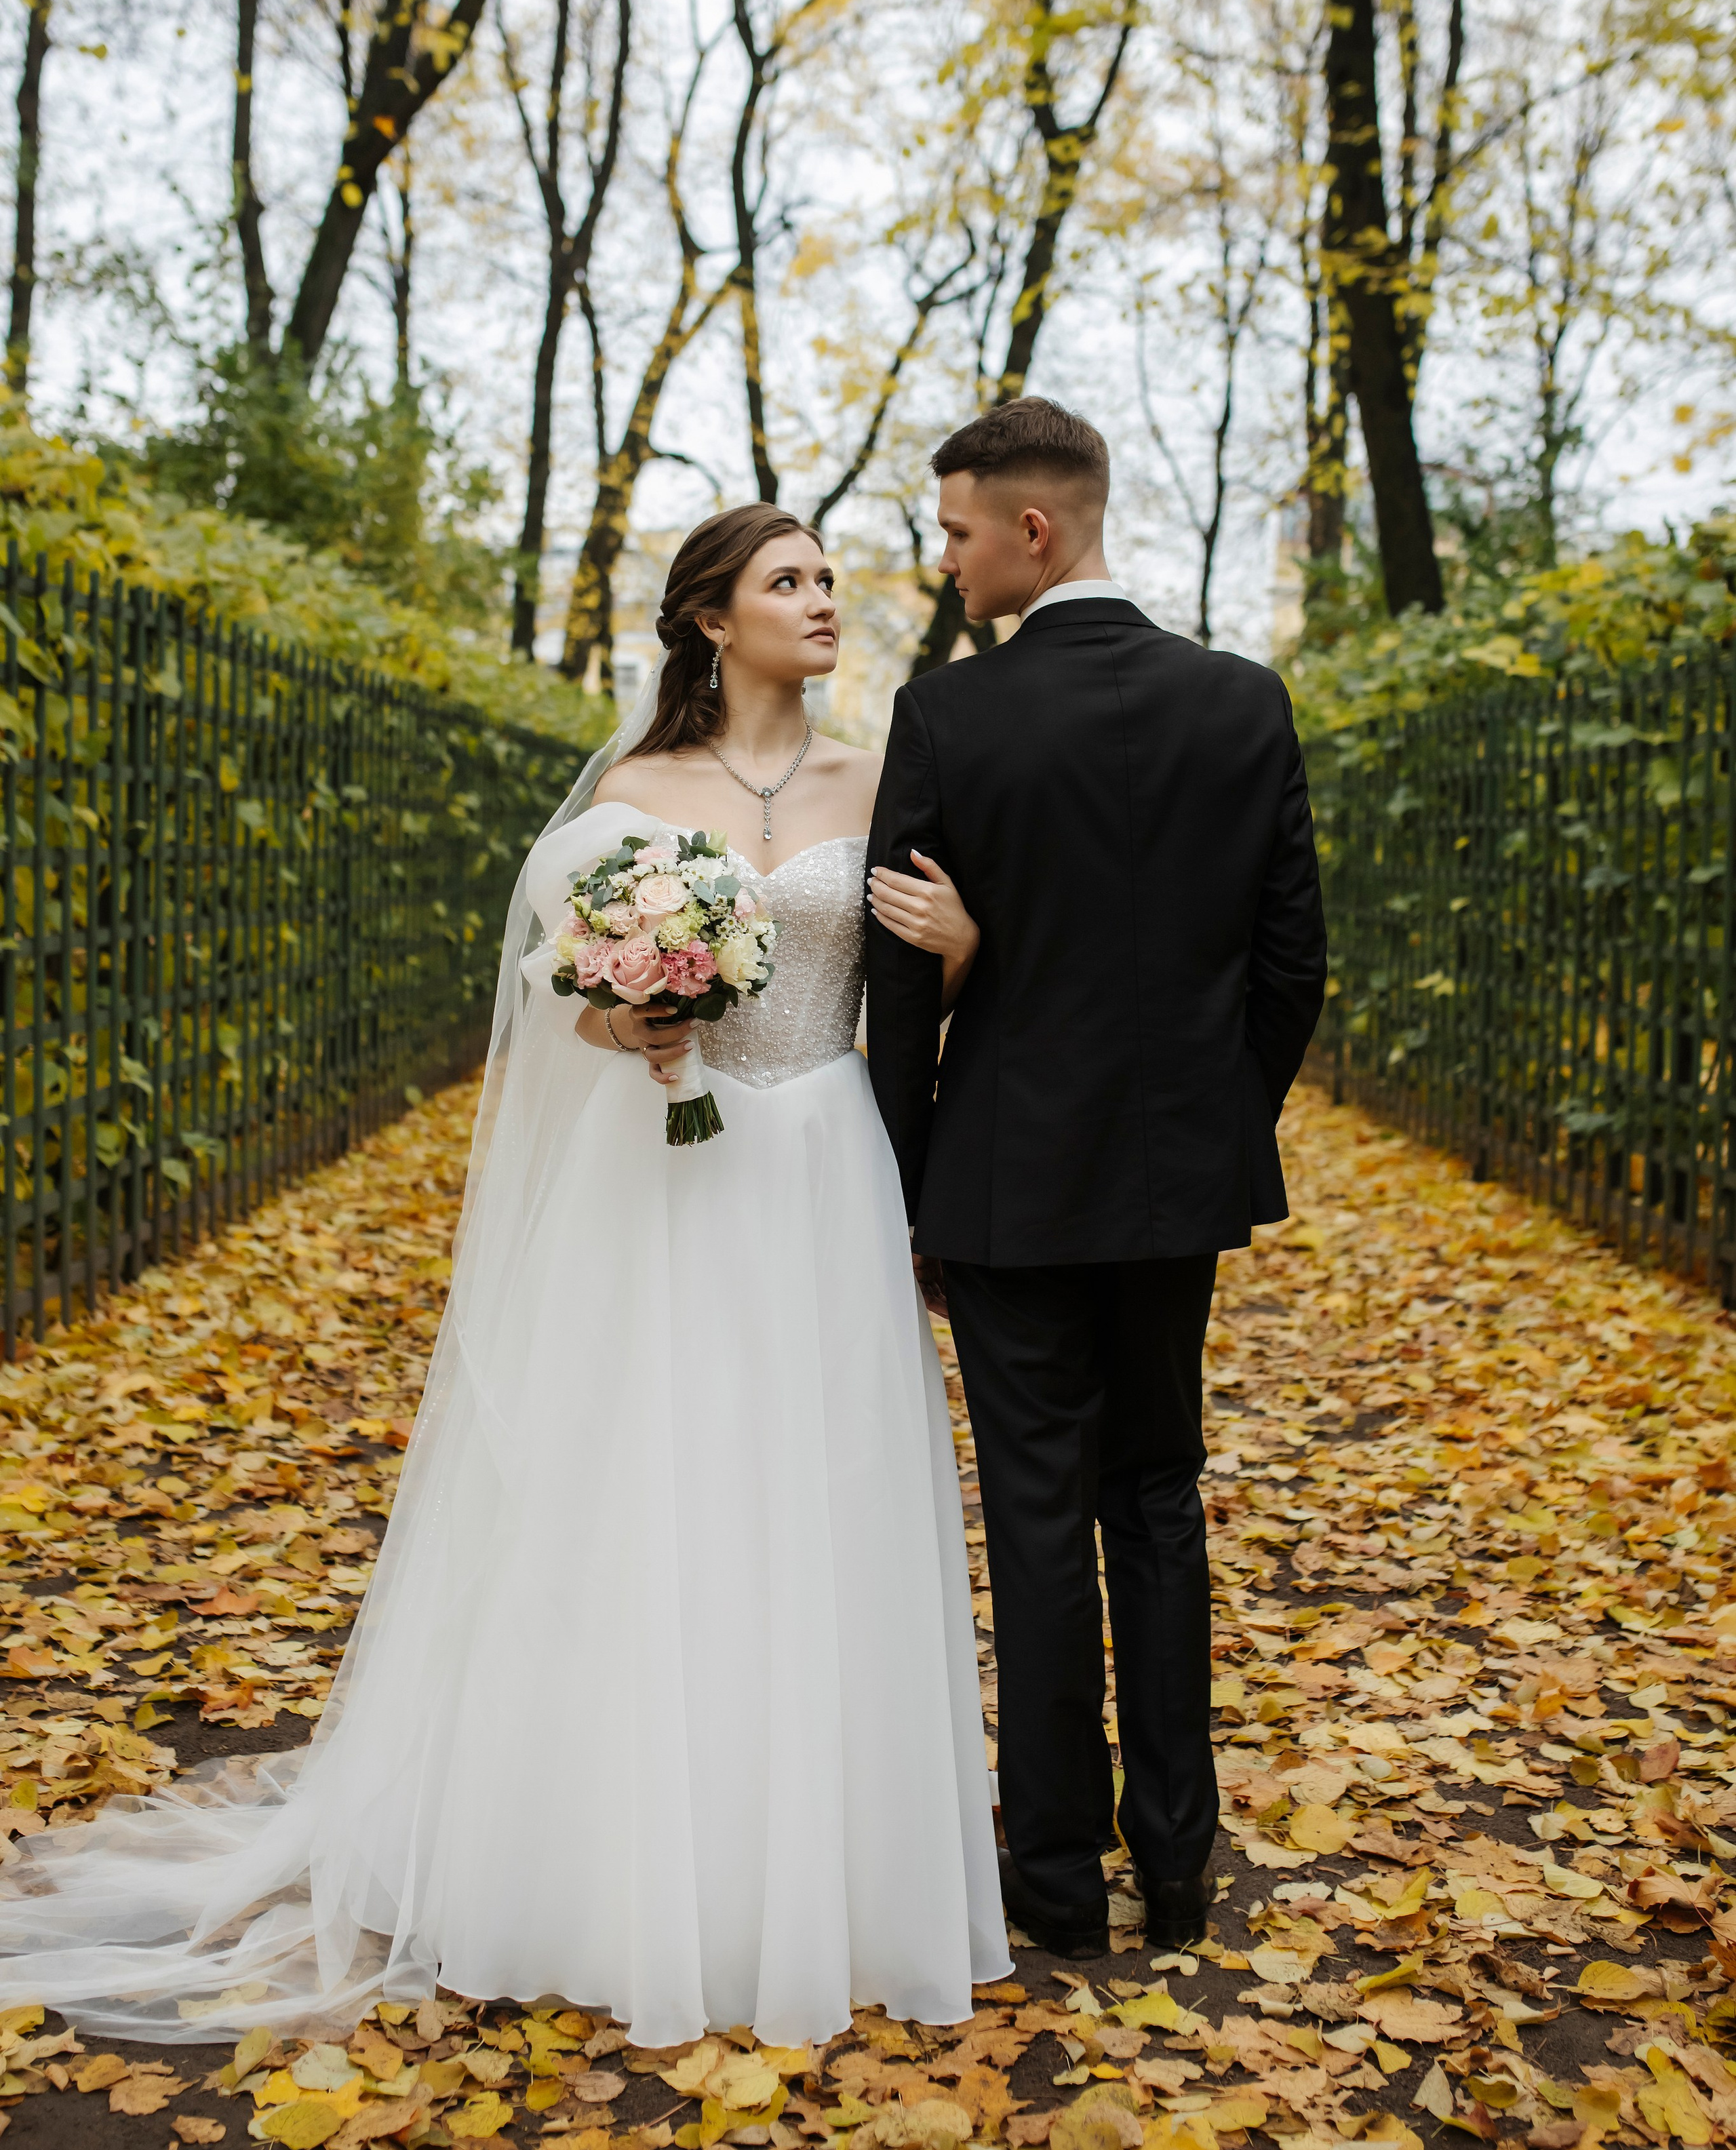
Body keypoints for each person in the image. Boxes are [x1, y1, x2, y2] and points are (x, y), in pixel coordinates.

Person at [0, 504, 1008, 2047]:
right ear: (707, 620)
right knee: (644, 1486)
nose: (821, 602)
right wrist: (630, 1024)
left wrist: (959, 941)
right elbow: (565, 1006)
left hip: (821, 1157)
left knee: (820, 1486)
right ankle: (613, 1859)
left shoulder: (885, 779)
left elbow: (935, 984)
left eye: (824, 580)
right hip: (667, 1174)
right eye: (787, 582)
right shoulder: (628, 792)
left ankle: (815, 1864)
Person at [866, 396, 1327, 1962]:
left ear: (1031, 530)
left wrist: (904, 1183)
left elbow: (901, 983)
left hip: (1002, 1188)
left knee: (1039, 1515)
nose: (945, 558)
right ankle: (1180, 1873)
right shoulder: (1242, 703)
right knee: (1158, 1497)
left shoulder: (951, 718)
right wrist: (1205, 1124)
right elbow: (1290, 968)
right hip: (1172, 1186)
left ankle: (1056, 1888)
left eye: (951, 528)